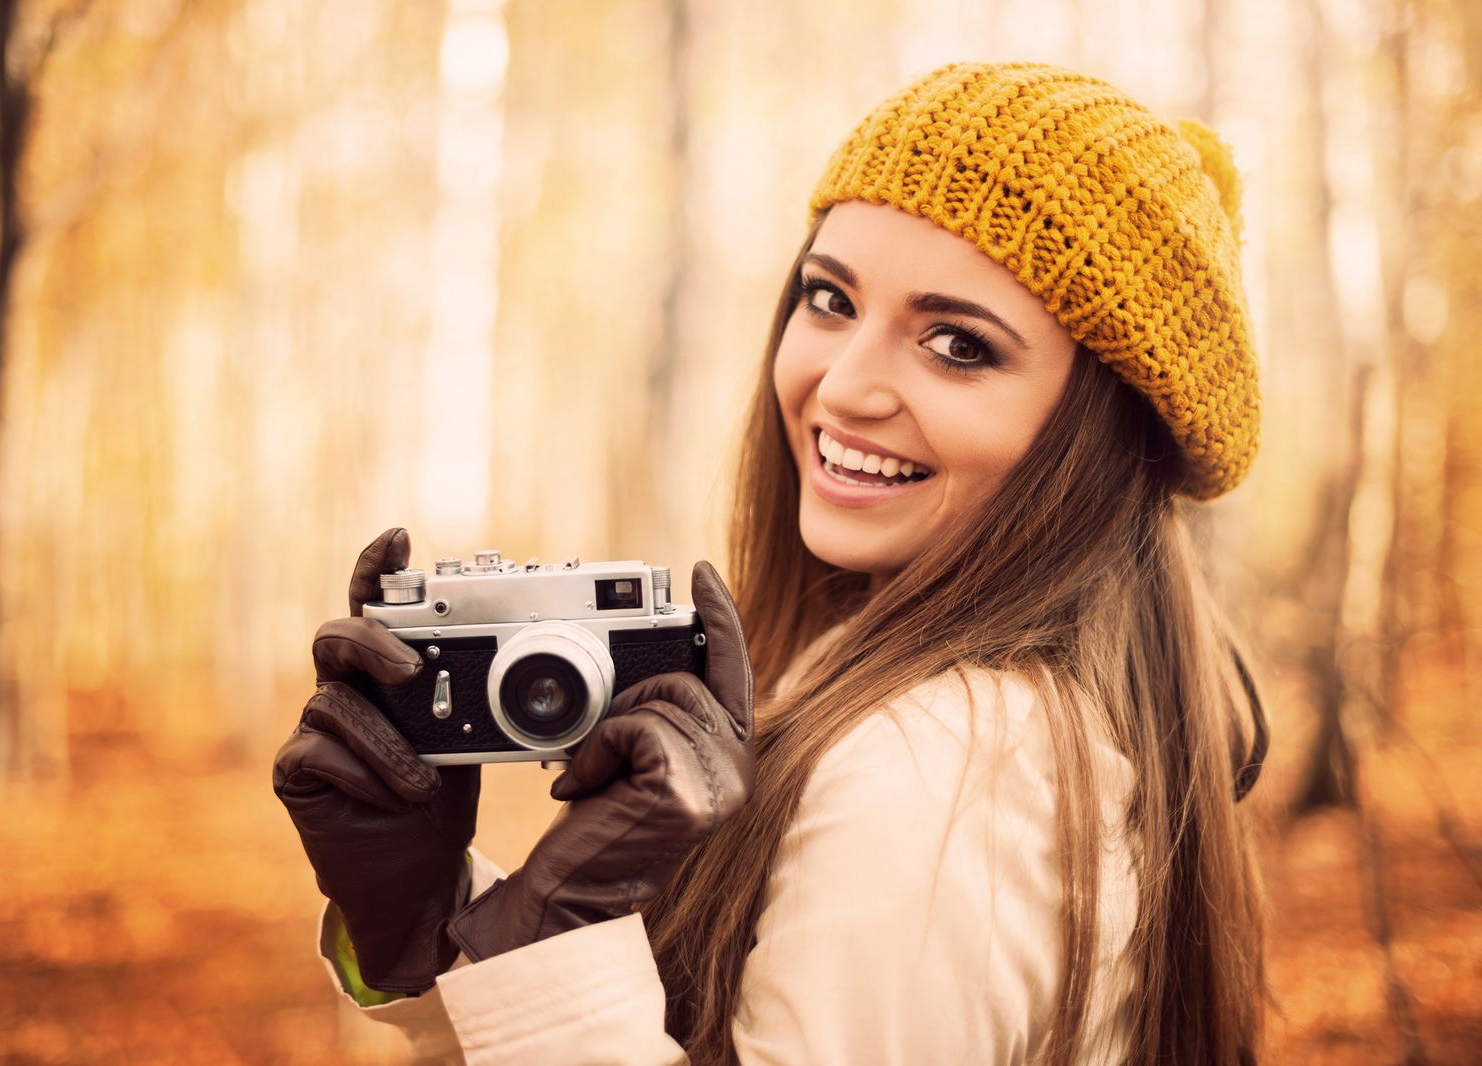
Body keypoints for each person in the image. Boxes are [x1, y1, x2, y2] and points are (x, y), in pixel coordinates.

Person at [274, 60, 1270, 1066]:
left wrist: (546, 934)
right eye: (829, 298)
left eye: (958, 345)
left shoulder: (940, 767)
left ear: (1103, 435)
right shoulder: (964, 703)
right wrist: (422, 934)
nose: (843, 385)